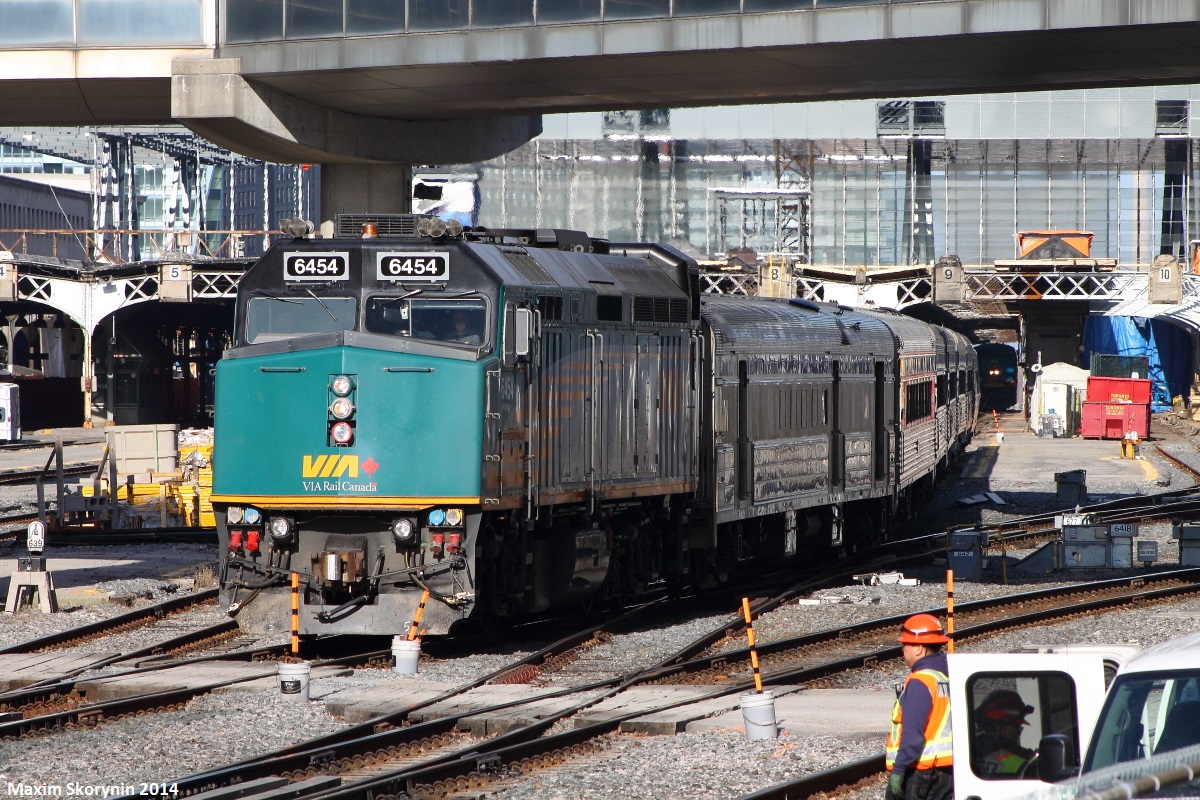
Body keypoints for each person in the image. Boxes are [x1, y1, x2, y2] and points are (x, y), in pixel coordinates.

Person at [885, 613, 954, 800]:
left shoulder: (921, 681)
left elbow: (913, 734)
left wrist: (898, 771)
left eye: (904, 645)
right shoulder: (948, 678)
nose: (903, 651)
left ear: (918, 649)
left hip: (922, 774)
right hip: (947, 773)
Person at [973, 689, 1036, 777]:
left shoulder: (976, 750)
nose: (1018, 732)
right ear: (1001, 726)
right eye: (1016, 726)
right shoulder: (1008, 758)